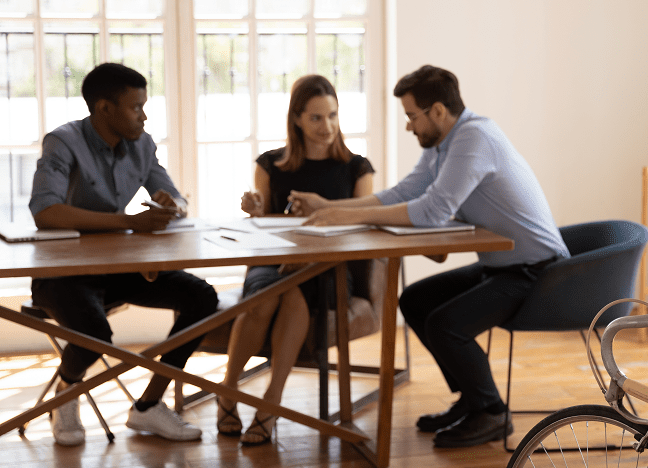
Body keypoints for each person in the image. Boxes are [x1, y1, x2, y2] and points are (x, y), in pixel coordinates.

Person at [294, 64, 569, 448]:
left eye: (411, 116)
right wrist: (333, 206)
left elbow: (432, 210)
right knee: (416, 300)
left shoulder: (474, 138)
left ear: (437, 111)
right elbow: (408, 191)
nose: (409, 126)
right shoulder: (446, 142)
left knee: (445, 323)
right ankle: (472, 400)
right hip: (503, 267)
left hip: (539, 273)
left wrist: (349, 215)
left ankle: (490, 411)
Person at [29, 62, 218, 447]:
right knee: (93, 334)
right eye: (136, 107)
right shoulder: (62, 142)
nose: (144, 116)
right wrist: (128, 222)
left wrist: (172, 204)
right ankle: (65, 395)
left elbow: (177, 197)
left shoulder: (142, 144)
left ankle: (148, 406)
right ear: (104, 109)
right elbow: (45, 212)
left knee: (202, 297)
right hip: (64, 273)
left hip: (121, 268)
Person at [216, 74, 374, 446]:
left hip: (329, 266)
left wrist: (325, 210)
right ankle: (231, 390)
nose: (328, 126)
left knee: (290, 291)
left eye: (333, 116)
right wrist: (256, 211)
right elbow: (261, 226)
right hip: (274, 261)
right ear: (297, 119)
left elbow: (365, 223)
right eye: (317, 118)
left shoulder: (357, 167)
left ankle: (268, 401)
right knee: (273, 292)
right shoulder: (271, 165)